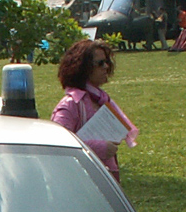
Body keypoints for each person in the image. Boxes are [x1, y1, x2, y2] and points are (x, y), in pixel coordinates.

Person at [50, 39, 138, 183]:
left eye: (107, 62)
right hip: (78, 181)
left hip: (106, 175)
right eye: (100, 63)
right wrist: (100, 147)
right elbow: (58, 144)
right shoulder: (70, 104)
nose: (106, 67)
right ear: (82, 68)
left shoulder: (102, 99)